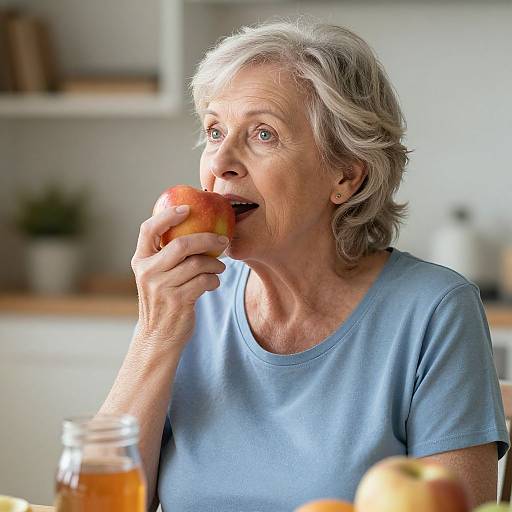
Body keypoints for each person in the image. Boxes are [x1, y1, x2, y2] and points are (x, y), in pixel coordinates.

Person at [99, 20, 509, 511]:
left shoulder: (433, 311)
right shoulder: (188, 299)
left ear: (346, 176)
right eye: (214, 131)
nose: (221, 161)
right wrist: (155, 333)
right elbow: (99, 503)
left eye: (263, 134)